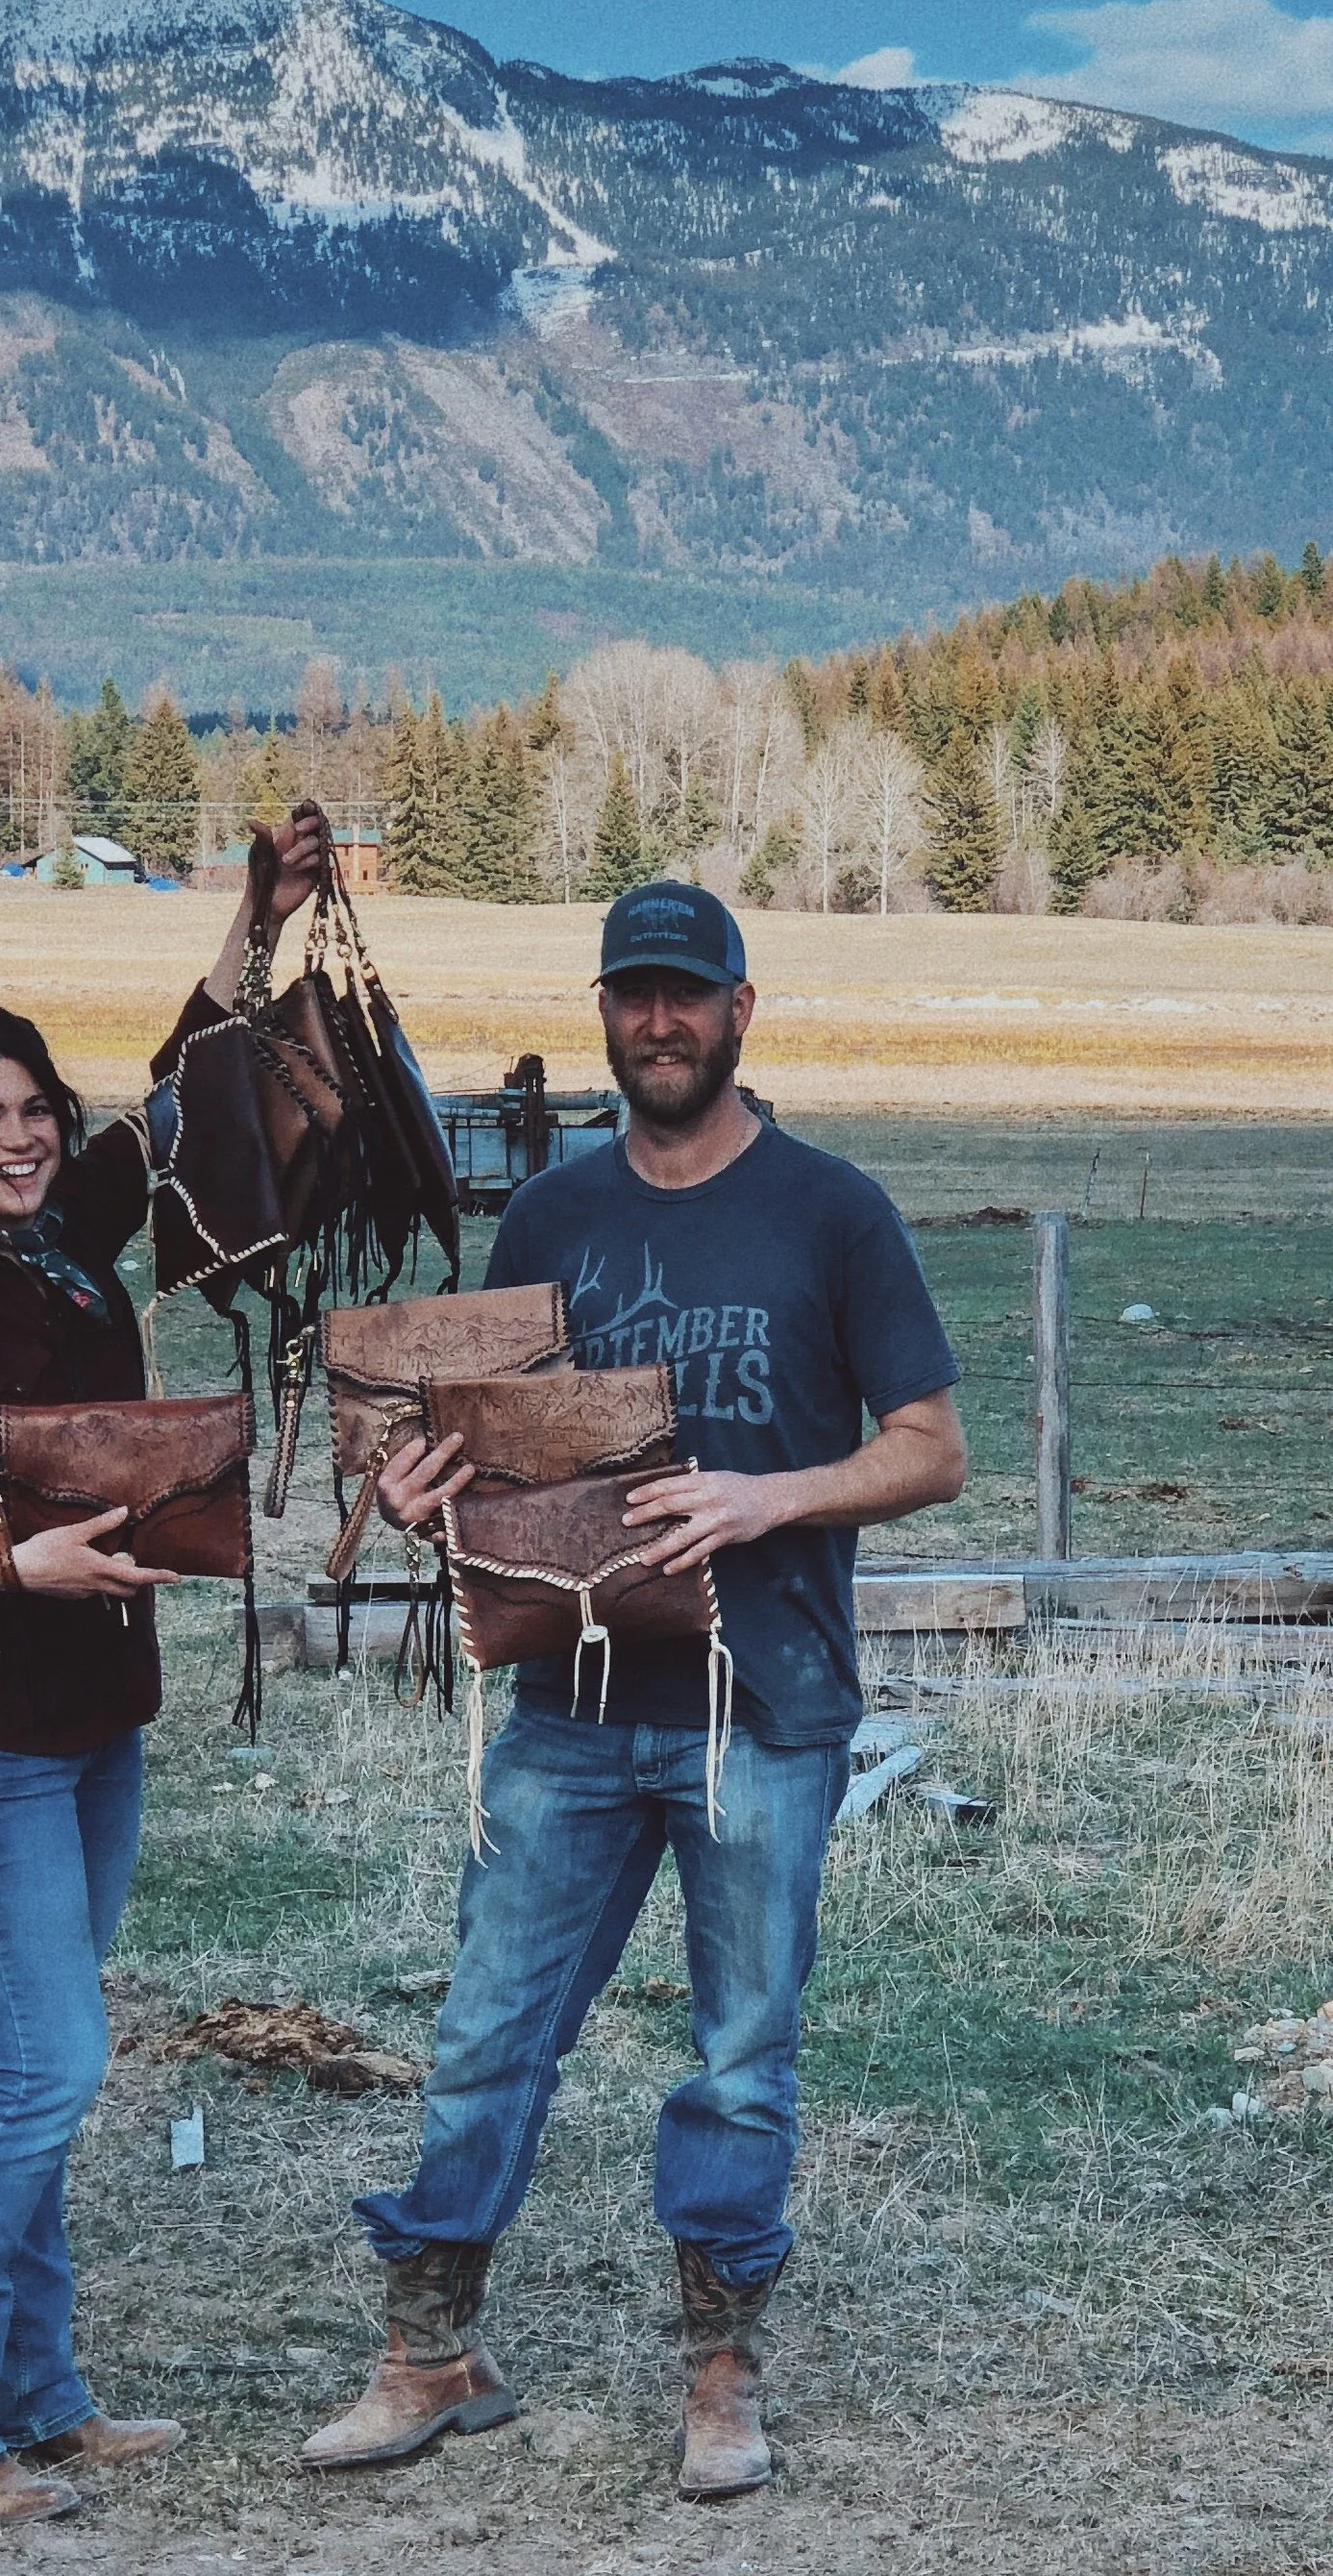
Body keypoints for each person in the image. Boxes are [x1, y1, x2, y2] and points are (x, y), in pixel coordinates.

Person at [302, 879, 966, 2498]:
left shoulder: (832, 1213)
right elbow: (492, 1460)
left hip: (767, 1706)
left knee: (739, 2051)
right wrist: (411, 1487)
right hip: (573, 1714)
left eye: (685, 994)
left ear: (741, 1010)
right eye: (630, 994)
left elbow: (933, 1450)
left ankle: (720, 2373)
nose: (655, 1022)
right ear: (603, 1012)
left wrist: (766, 1498)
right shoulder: (553, 1222)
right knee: (484, 2034)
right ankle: (431, 2351)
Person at [0, 816, 325, 2527]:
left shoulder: (69, 1235)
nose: (22, 1139)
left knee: (45, 2060)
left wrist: (257, 920)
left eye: (31, 1108)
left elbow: (176, 1091)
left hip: (103, 1723)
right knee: (44, 2077)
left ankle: (42, 2393)